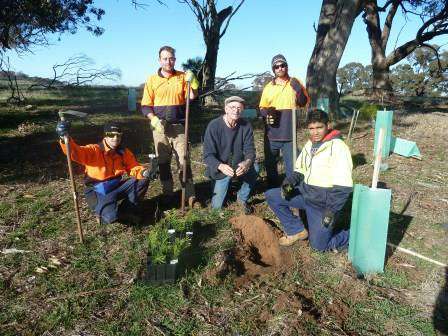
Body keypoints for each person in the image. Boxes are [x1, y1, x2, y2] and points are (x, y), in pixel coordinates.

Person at [265, 109, 353, 251]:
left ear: (328, 125)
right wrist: (289, 183)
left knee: (319, 247)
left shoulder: (338, 148)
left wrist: (331, 211)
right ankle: (296, 230)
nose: (315, 132)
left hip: (322, 204)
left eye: (319, 127)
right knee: (272, 195)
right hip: (305, 194)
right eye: (311, 129)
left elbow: (343, 186)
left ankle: (353, 235)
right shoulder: (309, 144)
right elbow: (300, 169)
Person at [56, 121, 156, 224]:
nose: (115, 138)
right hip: (97, 190)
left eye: (118, 135)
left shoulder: (123, 152)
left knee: (142, 180)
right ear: (105, 136)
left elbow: (133, 167)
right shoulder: (94, 150)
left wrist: (144, 173)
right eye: (111, 135)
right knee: (110, 217)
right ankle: (107, 213)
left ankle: (127, 211)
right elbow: (74, 152)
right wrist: (64, 138)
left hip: (115, 186)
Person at [141, 45, 199, 206]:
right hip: (159, 128)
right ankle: (168, 193)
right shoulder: (152, 79)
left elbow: (191, 97)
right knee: (163, 162)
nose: (168, 61)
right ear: (159, 60)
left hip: (179, 126)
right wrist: (153, 119)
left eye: (171, 58)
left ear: (175, 59)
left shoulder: (182, 76)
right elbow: (145, 105)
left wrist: (193, 83)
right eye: (165, 58)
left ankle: (190, 195)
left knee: (184, 160)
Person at [259, 54, 310, 187]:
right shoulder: (268, 87)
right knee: (270, 165)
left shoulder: (295, 82)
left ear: (287, 67)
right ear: (273, 69)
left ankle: (291, 192)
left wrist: (298, 88)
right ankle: (273, 190)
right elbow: (261, 107)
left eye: (283, 65)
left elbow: (304, 102)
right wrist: (268, 113)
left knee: (292, 167)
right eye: (277, 66)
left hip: (289, 135)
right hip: (271, 135)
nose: (280, 68)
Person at [203, 96, 257, 214]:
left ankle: (242, 199)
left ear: (242, 110)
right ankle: (217, 186)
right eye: (232, 107)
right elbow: (207, 155)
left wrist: (246, 163)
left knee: (255, 167)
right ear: (226, 109)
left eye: (239, 108)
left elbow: (250, 150)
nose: (236, 110)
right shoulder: (214, 126)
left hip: (237, 164)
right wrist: (220, 166)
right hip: (220, 167)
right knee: (216, 209)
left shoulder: (245, 126)